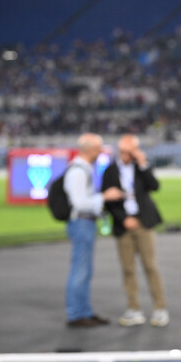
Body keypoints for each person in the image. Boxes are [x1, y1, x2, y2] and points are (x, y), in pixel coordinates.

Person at [101, 134, 169, 327]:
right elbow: (108, 201)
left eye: (129, 152)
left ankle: (160, 308)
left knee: (150, 266)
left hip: (144, 222)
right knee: (128, 269)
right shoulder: (110, 171)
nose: (125, 155)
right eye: (122, 152)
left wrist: (143, 164)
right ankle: (134, 308)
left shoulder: (140, 168)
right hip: (123, 226)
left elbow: (154, 186)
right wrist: (124, 220)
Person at [65, 133, 124, 327]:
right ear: (90, 149)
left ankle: (84, 312)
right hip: (81, 222)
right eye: (99, 148)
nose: (101, 151)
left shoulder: (84, 168)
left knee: (85, 270)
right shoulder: (78, 171)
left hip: (85, 222)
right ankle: (76, 314)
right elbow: (79, 203)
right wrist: (104, 197)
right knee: (81, 271)